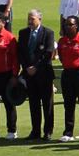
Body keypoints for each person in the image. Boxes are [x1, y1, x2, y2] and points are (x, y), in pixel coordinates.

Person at [16, 10, 56, 140]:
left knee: (47, 104)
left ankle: (48, 131)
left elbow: (48, 53)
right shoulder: (23, 33)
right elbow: (20, 52)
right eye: (28, 19)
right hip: (29, 74)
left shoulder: (48, 33)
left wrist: (36, 67)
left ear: (39, 19)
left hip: (44, 73)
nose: (30, 21)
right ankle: (35, 130)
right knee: (33, 103)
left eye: (32, 19)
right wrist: (26, 67)